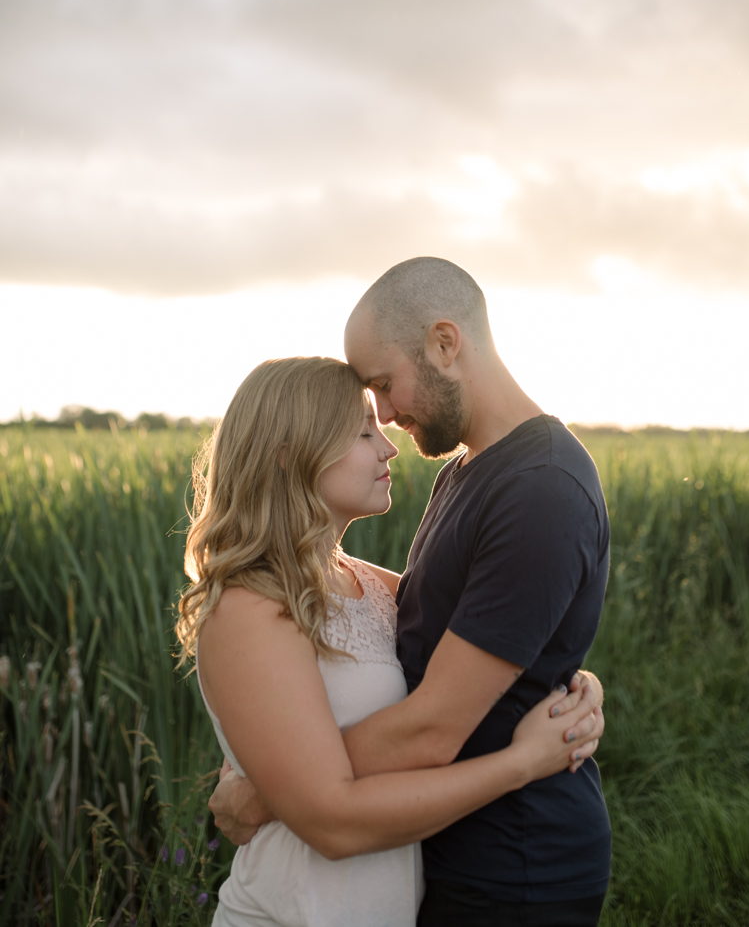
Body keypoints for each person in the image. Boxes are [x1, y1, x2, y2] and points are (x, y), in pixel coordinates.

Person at [179, 354, 605, 927]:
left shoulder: (372, 586)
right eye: (361, 432)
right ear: (288, 452)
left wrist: (578, 688)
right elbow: (333, 824)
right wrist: (521, 763)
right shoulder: (248, 609)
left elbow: (506, 639)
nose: (388, 447)